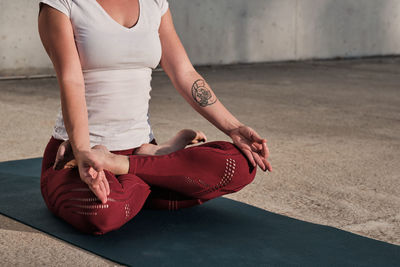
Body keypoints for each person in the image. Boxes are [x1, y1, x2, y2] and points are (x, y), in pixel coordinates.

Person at [38, 0, 272, 235]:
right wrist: (81, 151)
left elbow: (184, 73)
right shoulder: (62, 4)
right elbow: (71, 81)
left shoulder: (155, 3)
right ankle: (156, 172)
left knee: (242, 165)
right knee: (102, 214)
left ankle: (128, 169)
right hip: (79, 157)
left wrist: (233, 127)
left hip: (138, 150)